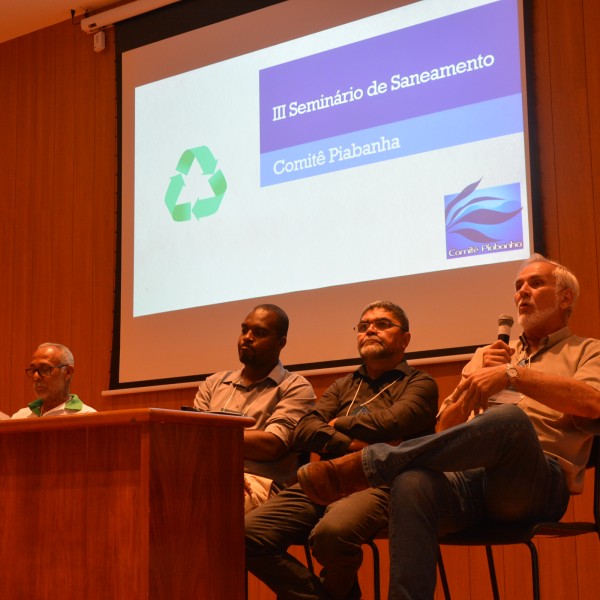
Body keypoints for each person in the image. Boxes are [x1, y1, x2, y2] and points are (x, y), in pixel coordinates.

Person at [297, 254, 600, 600]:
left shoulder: (588, 351)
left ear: (565, 298)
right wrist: (473, 386)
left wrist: (513, 374)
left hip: (535, 483)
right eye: (518, 286)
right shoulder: (487, 355)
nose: (522, 292)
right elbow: (444, 427)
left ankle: (372, 463)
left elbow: (593, 402)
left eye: (535, 283)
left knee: (511, 421)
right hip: (469, 481)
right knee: (413, 481)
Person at [246, 300, 439, 600]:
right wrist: (353, 443)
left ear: (405, 339)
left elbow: (396, 419)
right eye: (363, 327)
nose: (371, 330)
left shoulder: (420, 384)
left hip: (377, 484)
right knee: (244, 535)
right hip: (322, 479)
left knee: (330, 536)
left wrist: (339, 422)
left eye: (383, 324)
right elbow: (304, 428)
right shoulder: (342, 386)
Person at [193, 303, 316, 512]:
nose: (247, 337)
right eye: (244, 330)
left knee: (210, 500)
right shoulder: (214, 383)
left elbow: (272, 445)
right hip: (209, 476)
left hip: (264, 485)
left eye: (259, 333)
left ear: (281, 343)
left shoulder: (294, 387)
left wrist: (208, 435)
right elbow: (190, 443)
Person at [13, 342, 96, 418]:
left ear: (68, 372)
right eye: (33, 370)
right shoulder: (20, 417)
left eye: (45, 369)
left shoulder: (87, 417)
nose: (36, 376)